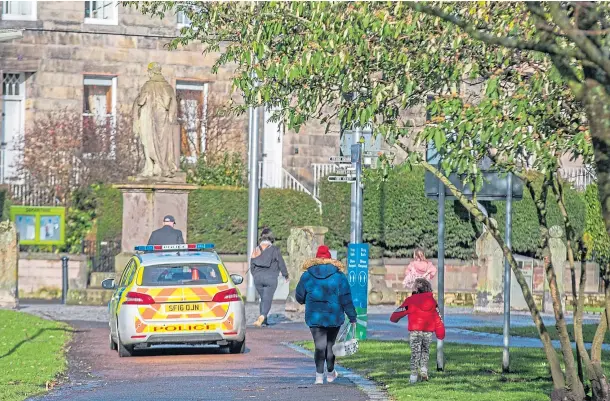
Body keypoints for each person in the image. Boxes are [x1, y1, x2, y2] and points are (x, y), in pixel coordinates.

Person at [296, 245, 357, 385]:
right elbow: (346, 298)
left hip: (314, 316)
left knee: (319, 345)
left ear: (316, 258)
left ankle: (318, 376)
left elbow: (299, 296)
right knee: (330, 345)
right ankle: (330, 373)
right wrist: (352, 316)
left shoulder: (307, 275)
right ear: (330, 258)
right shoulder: (339, 276)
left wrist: (306, 300)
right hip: (334, 316)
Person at [390, 278, 446, 384]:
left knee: (415, 353)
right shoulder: (432, 302)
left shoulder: (411, 301)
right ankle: (424, 370)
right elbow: (438, 318)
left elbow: (400, 311)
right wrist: (440, 334)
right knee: (425, 351)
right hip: (428, 331)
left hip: (415, 331)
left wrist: (394, 319)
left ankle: (413, 376)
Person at [250, 228, 289, 327]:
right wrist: (285, 275)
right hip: (270, 277)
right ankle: (263, 316)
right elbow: (281, 263)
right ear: (271, 238)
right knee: (267, 298)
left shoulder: (256, 249)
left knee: (262, 298)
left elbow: (252, 266)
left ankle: (264, 319)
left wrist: (255, 275)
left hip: (258, 278)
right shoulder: (275, 250)